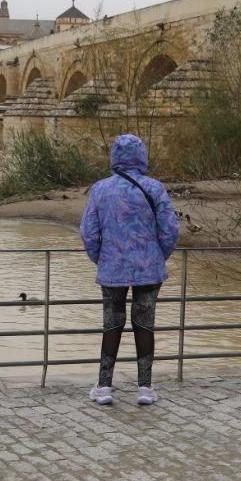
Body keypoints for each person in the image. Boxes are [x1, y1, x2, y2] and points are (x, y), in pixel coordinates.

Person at [80, 134, 180, 406]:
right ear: (142, 155)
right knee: (144, 324)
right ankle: (145, 388)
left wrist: (101, 258)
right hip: (148, 268)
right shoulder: (155, 188)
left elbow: (89, 232)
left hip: (112, 269)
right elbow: (170, 229)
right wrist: (159, 256)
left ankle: (103, 386)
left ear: (114, 156)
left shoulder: (100, 189)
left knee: (112, 323)